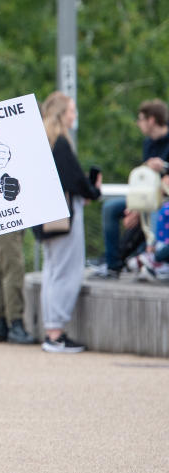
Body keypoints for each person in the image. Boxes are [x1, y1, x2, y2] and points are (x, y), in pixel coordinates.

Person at [38, 91, 102, 353]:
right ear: (62, 114)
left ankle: (51, 330)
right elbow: (75, 180)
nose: (75, 115)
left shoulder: (42, 141)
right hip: (63, 217)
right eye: (72, 110)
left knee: (52, 271)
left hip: (44, 217)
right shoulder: (60, 143)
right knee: (66, 272)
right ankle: (56, 333)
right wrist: (92, 190)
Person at [94, 99, 169, 279]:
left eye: (141, 119)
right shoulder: (148, 144)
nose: (138, 123)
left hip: (162, 199)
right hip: (146, 197)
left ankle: (153, 258)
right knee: (110, 208)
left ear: (151, 120)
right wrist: (135, 207)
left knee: (152, 210)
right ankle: (113, 264)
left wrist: (164, 166)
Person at [0, 230, 35, 344]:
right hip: (6, 218)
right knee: (14, 268)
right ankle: (15, 324)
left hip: (4, 217)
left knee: (0, 267)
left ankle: (0, 324)